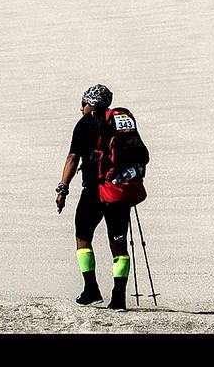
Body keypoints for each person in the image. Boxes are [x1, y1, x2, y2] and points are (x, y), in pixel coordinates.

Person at [55, 84, 150, 309]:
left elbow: (72, 158)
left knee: (83, 236)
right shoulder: (122, 123)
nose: (81, 108)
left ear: (91, 104)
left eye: (84, 103)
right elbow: (143, 155)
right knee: (118, 243)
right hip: (119, 190)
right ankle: (119, 298)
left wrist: (62, 188)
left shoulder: (84, 124)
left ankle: (91, 289)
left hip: (94, 191)